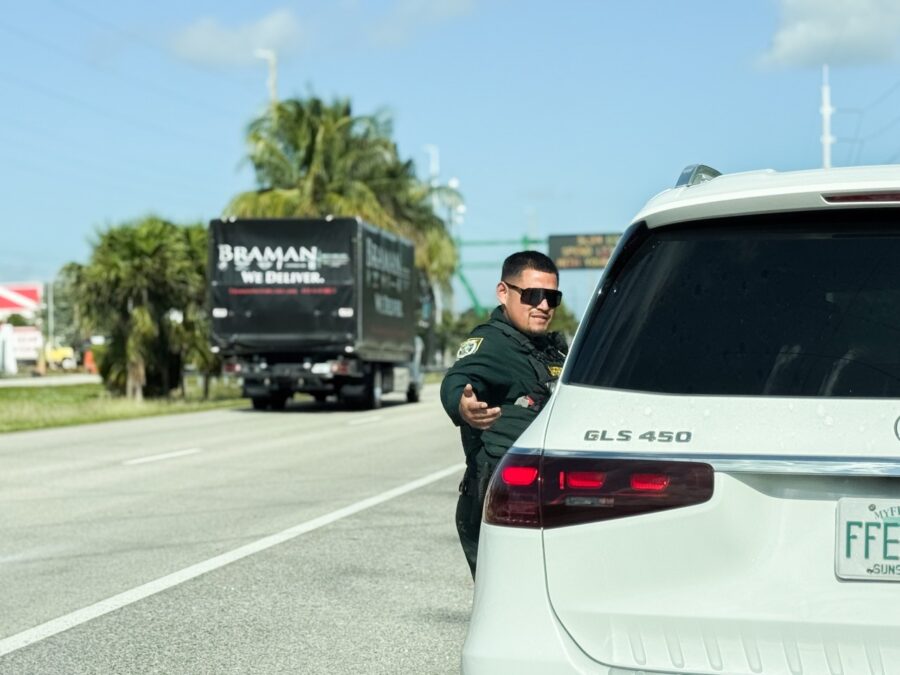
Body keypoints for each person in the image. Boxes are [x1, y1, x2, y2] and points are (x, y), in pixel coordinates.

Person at [440, 251, 568, 577]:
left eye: (552, 297)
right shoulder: (493, 343)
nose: (543, 305)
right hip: (498, 499)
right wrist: (463, 406)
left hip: (542, 495)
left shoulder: (549, 348)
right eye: (533, 295)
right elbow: (458, 378)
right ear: (503, 292)